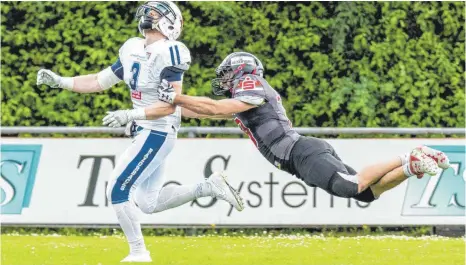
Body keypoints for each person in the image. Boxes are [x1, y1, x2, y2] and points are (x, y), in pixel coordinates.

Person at [36, 2, 243, 262]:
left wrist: (130, 114)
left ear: (171, 22)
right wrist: (61, 81)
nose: (149, 16)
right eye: (148, 12)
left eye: (156, 13)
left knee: (117, 189)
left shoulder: (170, 52)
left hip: (157, 130)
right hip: (146, 129)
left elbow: (170, 106)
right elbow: (100, 80)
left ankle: (138, 253)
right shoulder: (133, 48)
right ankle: (208, 187)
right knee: (149, 203)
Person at [157, 51, 451, 204]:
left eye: (226, 74)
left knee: (353, 185)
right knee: (366, 194)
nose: (223, 81)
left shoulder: (251, 84)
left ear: (240, 71)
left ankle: (408, 156)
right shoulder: (247, 92)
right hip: (302, 154)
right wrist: (173, 107)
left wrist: (176, 96)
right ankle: (415, 166)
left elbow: (215, 107)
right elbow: (208, 112)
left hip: (301, 152)